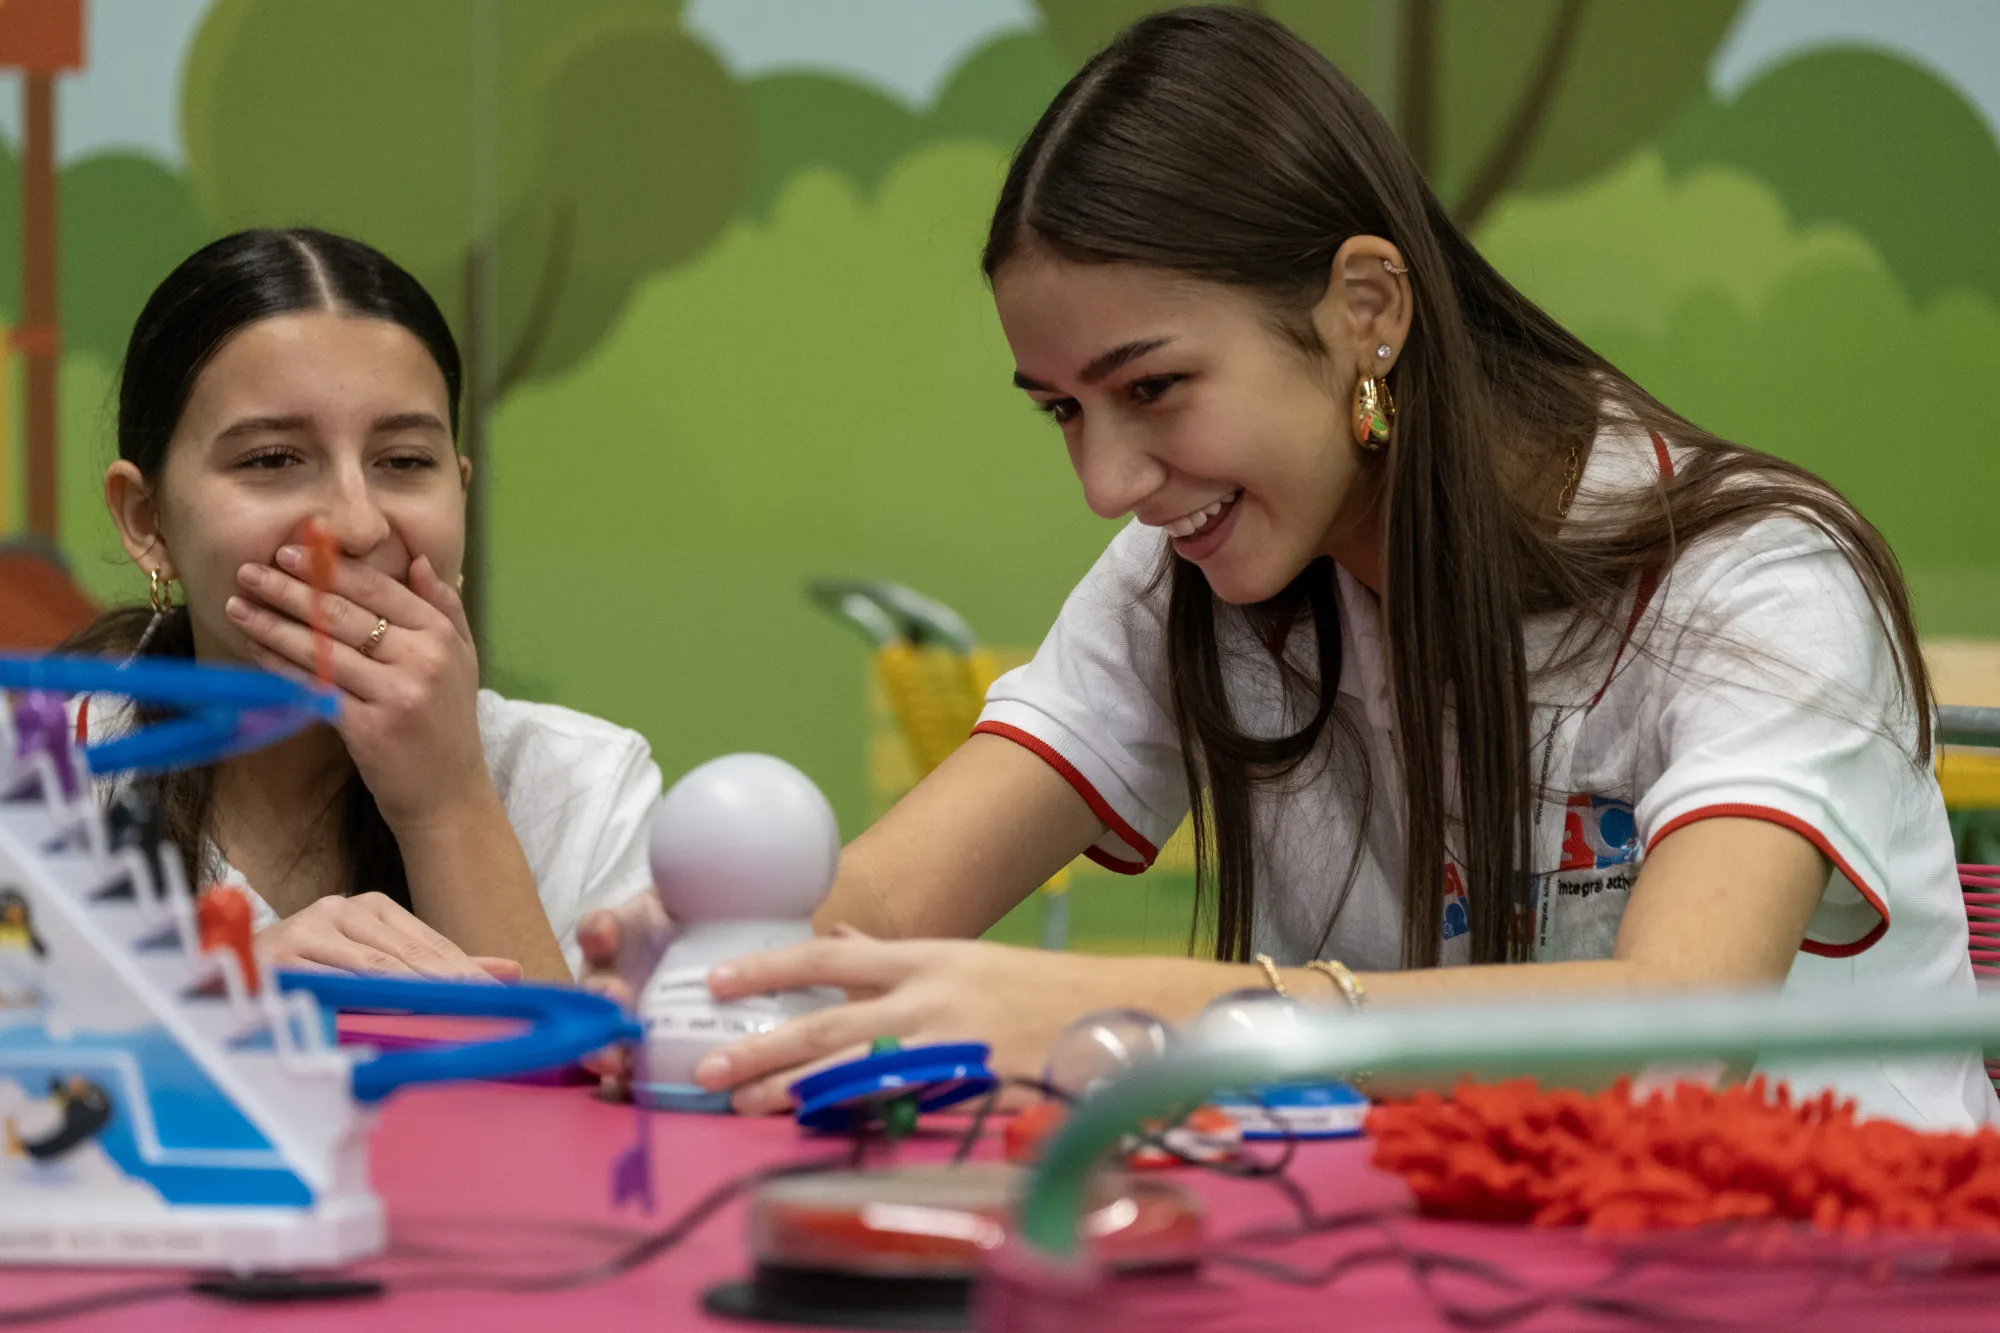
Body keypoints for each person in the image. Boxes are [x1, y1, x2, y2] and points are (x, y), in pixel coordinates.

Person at [582, 7, 1991, 1128]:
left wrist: (1152, 1015)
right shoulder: (1183, 579)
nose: (1108, 484)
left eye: (1152, 388)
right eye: (1064, 408)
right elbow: (885, 905)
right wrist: (733, 961)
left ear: (1365, 309)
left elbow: (1674, 1038)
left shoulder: (1752, 583)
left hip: (1837, 1271)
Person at [68, 228, 661, 983]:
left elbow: (577, 1094)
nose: (356, 524)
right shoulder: (36, 777)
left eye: (405, 462)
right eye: (274, 459)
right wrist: (206, 991)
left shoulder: (586, 785)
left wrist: (447, 802)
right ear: (147, 521)